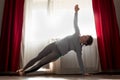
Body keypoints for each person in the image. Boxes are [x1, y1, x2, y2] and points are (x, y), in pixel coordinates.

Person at [16, 4, 93, 76]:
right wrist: (76, 12)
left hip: (57, 53)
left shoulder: (79, 48)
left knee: (41, 63)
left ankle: (24, 72)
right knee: (38, 57)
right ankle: (23, 68)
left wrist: (83, 72)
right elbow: (75, 23)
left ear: (85, 42)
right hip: (54, 44)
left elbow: (80, 60)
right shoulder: (77, 33)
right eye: (86, 35)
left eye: (86, 37)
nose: (84, 35)